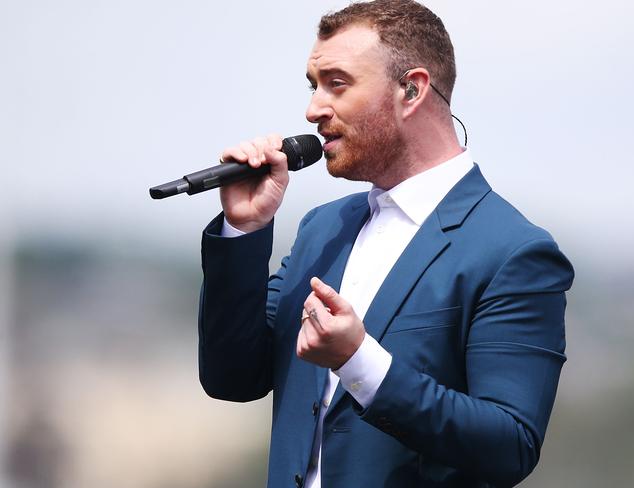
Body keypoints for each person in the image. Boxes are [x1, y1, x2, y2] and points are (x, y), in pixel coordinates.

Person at [198, 1, 574, 487]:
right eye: (313, 86)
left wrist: (361, 363)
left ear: (411, 89)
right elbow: (232, 377)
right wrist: (244, 229)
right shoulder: (323, 228)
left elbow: (510, 444)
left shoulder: (513, 251)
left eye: (337, 83)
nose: (313, 109)